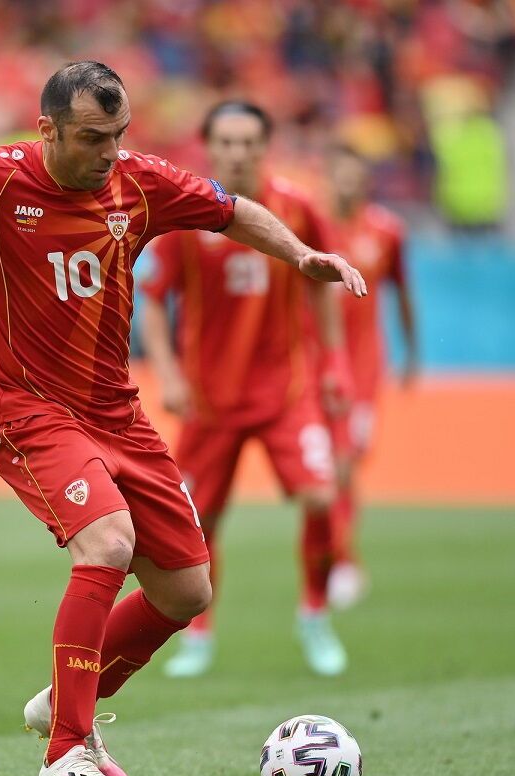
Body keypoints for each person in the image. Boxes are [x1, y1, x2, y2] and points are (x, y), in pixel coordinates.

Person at [0, 65, 365, 776]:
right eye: (90, 138)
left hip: (118, 413)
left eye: (117, 136)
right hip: (31, 409)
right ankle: (65, 749)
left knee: (185, 590)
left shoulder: (139, 182)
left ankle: (62, 698)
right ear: (47, 130)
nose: (109, 152)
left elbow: (232, 209)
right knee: (106, 543)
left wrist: (298, 255)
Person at [139, 101, 354, 680]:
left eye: (249, 141)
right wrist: (171, 373)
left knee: (319, 497)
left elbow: (322, 287)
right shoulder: (186, 216)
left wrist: (334, 362)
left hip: (287, 390)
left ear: (266, 145)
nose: (238, 152)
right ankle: (199, 632)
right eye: (227, 142)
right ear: (211, 147)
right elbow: (154, 299)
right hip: (211, 400)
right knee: (198, 521)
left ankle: (314, 613)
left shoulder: (298, 208)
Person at [324, 142, 417, 608]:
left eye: (354, 176)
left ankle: (343, 560)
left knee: (344, 465)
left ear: (365, 181)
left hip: (362, 371)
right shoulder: (312, 228)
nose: (346, 184)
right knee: (326, 471)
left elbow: (402, 291)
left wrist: (412, 352)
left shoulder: (386, 230)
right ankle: (332, 559)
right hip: (318, 366)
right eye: (339, 175)